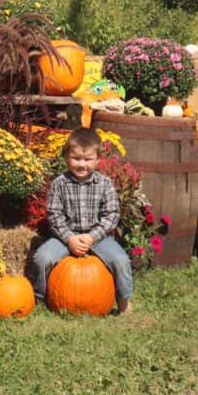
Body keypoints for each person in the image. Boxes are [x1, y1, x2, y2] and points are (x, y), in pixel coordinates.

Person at [31, 127, 133, 314]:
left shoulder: (104, 184)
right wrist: (69, 238)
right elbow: (54, 216)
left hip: (98, 237)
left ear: (97, 159)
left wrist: (92, 237)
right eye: (76, 158)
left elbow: (111, 215)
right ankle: (40, 297)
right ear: (67, 157)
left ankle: (123, 300)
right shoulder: (59, 184)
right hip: (64, 237)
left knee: (120, 260)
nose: (81, 164)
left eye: (87, 159)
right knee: (42, 258)